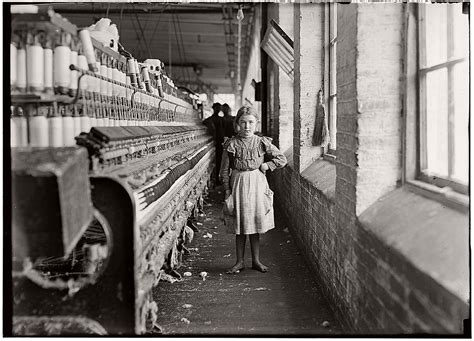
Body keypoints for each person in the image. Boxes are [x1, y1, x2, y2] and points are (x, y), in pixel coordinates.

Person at [219, 106, 287, 273]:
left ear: (256, 124)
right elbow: (223, 170)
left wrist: (267, 165)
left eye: (250, 122)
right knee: (240, 223)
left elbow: (282, 159)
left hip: (257, 183)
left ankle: (256, 261)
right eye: (243, 122)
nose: (246, 126)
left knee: (255, 222)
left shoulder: (262, 142)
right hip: (238, 183)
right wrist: (227, 190)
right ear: (237, 124)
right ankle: (239, 262)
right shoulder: (231, 144)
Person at [203, 102, 225, 184]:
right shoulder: (210, 120)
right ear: (213, 108)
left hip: (220, 143)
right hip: (212, 142)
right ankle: (214, 179)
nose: (218, 109)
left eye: (219, 108)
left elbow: (224, 131)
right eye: (216, 108)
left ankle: (218, 178)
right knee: (212, 162)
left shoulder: (221, 120)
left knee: (219, 161)